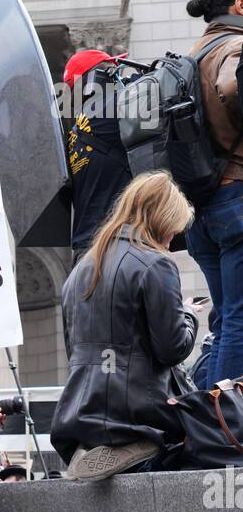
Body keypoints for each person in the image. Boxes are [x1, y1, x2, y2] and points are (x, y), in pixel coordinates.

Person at [51, 171, 200, 480]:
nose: (172, 240)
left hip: (83, 410)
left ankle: (105, 443)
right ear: (162, 221)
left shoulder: (81, 269)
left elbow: (74, 350)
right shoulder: (156, 264)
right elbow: (172, 349)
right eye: (173, 230)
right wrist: (189, 315)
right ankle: (135, 443)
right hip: (143, 413)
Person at [185, 0, 243, 386]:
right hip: (235, 200)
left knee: (226, 320)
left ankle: (212, 423)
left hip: (200, 209)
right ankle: (232, 431)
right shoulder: (234, 48)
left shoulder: (189, 56)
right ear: (240, 5)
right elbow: (231, 86)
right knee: (240, 320)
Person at [61, 49, 133, 261]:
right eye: (111, 70)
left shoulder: (76, 131)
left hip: (85, 251)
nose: (118, 74)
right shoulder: (109, 111)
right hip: (114, 247)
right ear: (96, 79)